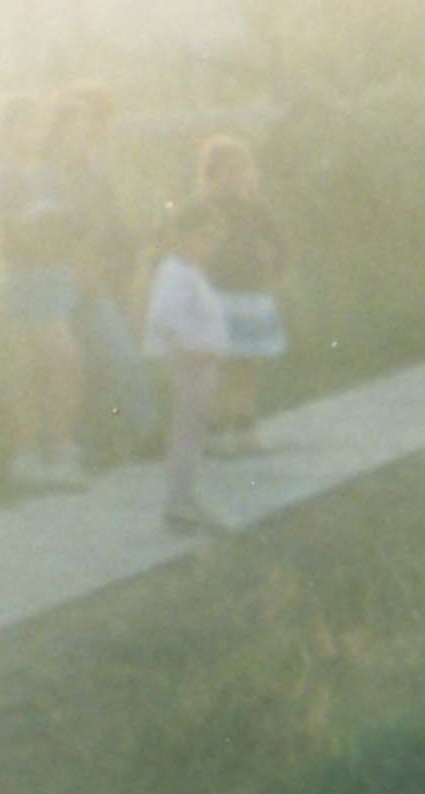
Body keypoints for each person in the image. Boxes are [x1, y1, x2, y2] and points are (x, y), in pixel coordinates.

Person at [0, 93, 89, 490]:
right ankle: (52, 450)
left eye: (36, 126)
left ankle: (36, 454)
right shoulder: (1, 175)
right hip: (28, 276)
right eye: (24, 125)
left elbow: (67, 219)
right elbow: (15, 231)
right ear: (6, 130)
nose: (33, 134)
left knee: (39, 366)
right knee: (62, 359)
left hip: (54, 273)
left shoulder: (43, 171)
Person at [50, 82, 162, 463]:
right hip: (71, 282)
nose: (86, 138)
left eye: (89, 130)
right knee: (100, 359)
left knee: (113, 356)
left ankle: (127, 435)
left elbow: (107, 228)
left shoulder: (93, 176)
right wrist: (84, 269)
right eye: (77, 132)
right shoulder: (53, 179)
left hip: (102, 275)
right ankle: (119, 435)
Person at [193, 135, 290, 453]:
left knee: (247, 364)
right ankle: (215, 430)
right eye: (227, 171)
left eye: (241, 170)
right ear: (211, 175)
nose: (235, 178)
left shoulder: (256, 209)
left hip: (251, 295)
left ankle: (245, 426)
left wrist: (275, 273)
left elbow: (279, 243)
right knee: (219, 364)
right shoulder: (203, 210)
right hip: (217, 296)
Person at [142, 199, 233, 536]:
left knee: (194, 431)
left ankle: (185, 497)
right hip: (187, 366)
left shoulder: (190, 272)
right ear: (181, 236)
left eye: (214, 238)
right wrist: (193, 350)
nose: (209, 245)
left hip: (201, 365)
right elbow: (164, 319)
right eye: (203, 236)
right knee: (187, 431)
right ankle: (179, 500)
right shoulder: (175, 272)